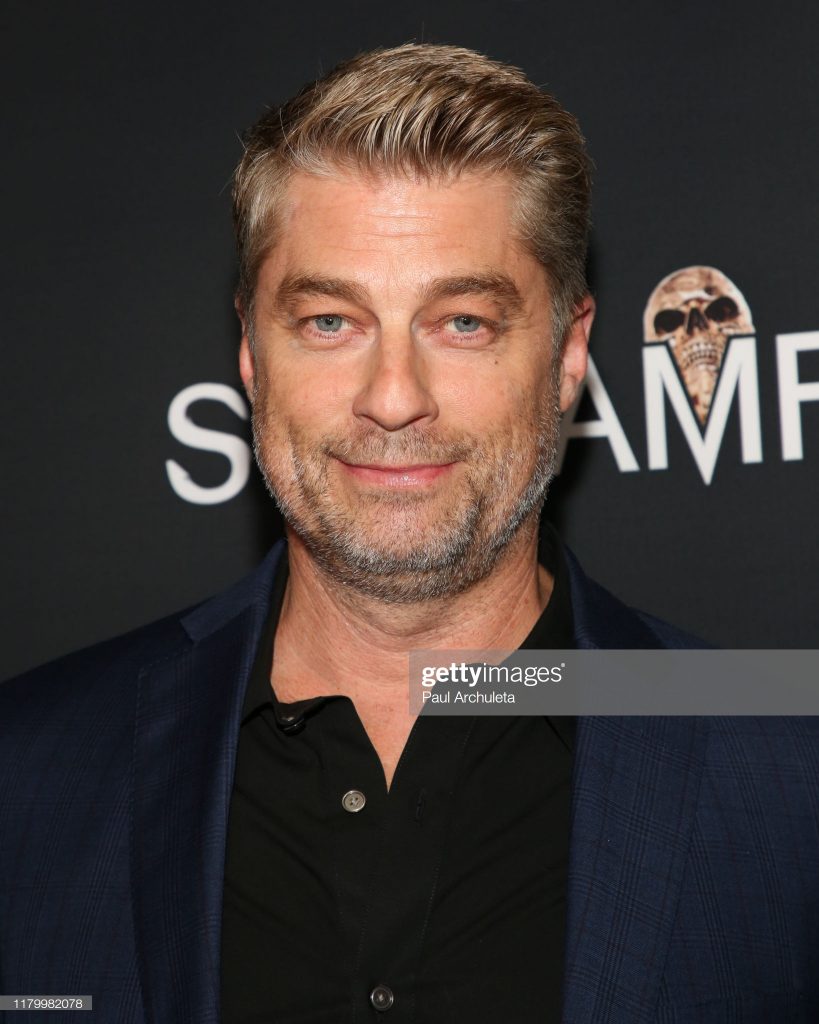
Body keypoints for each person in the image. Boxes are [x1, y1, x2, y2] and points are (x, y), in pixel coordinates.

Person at [1, 43, 818, 1024]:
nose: (393, 398)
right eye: (329, 322)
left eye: (463, 322)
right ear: (251, 354)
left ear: (567, 355)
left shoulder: (787, 761)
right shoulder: (30, 770)